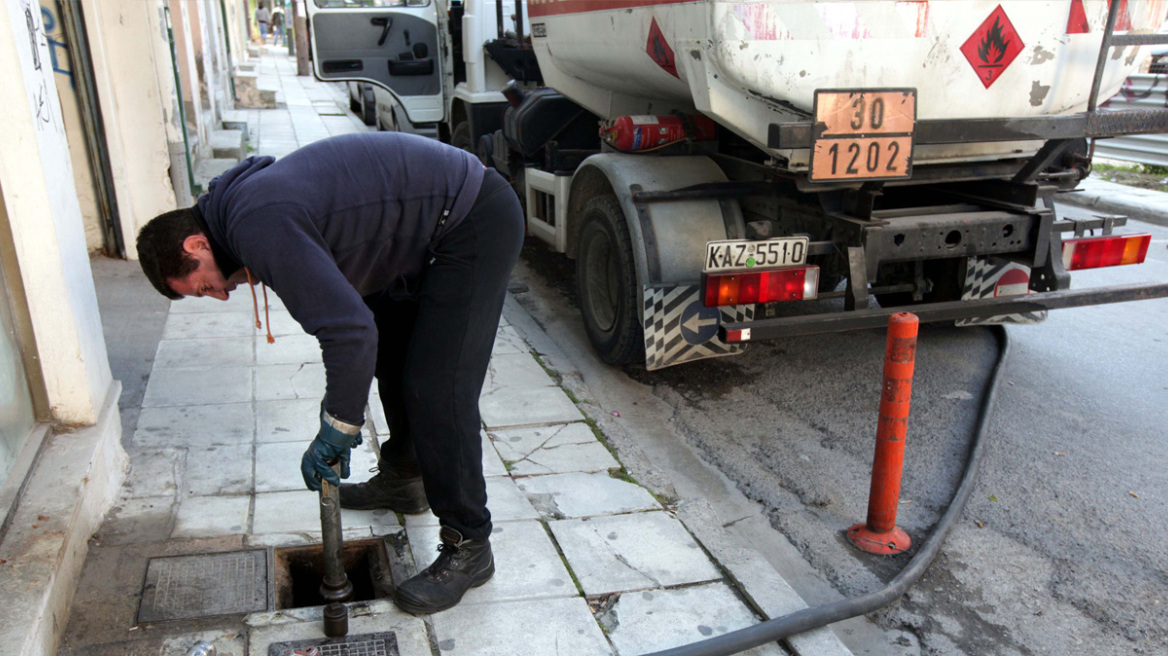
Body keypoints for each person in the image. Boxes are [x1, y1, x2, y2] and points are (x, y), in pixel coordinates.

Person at [136, 132, 524, 615]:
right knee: (395, 356)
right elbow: (358, 324)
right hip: (425, 231)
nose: (219, 295)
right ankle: (406, 478)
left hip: (472, 220)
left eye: (202, 286)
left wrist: (337, 427)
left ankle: (470, 543)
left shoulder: (256, 223)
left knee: (437, 387)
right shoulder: (240, 215)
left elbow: (347, 331)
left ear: (196, 243)